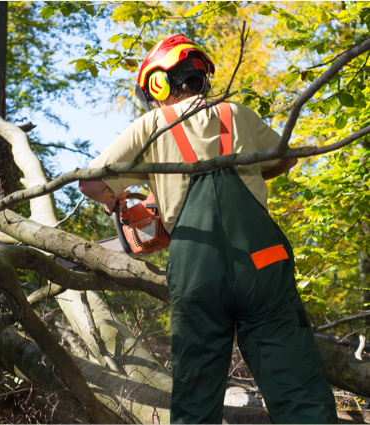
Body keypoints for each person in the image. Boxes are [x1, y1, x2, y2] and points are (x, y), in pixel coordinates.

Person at [79, 34, 337, 424]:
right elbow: (285, 159)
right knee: (297, 387)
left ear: (158, 84)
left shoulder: (151, 125)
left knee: (196, 395)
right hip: (261, 262)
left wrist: (126, 197)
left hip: (198, 269)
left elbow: (91, 183)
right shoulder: (238, 114)